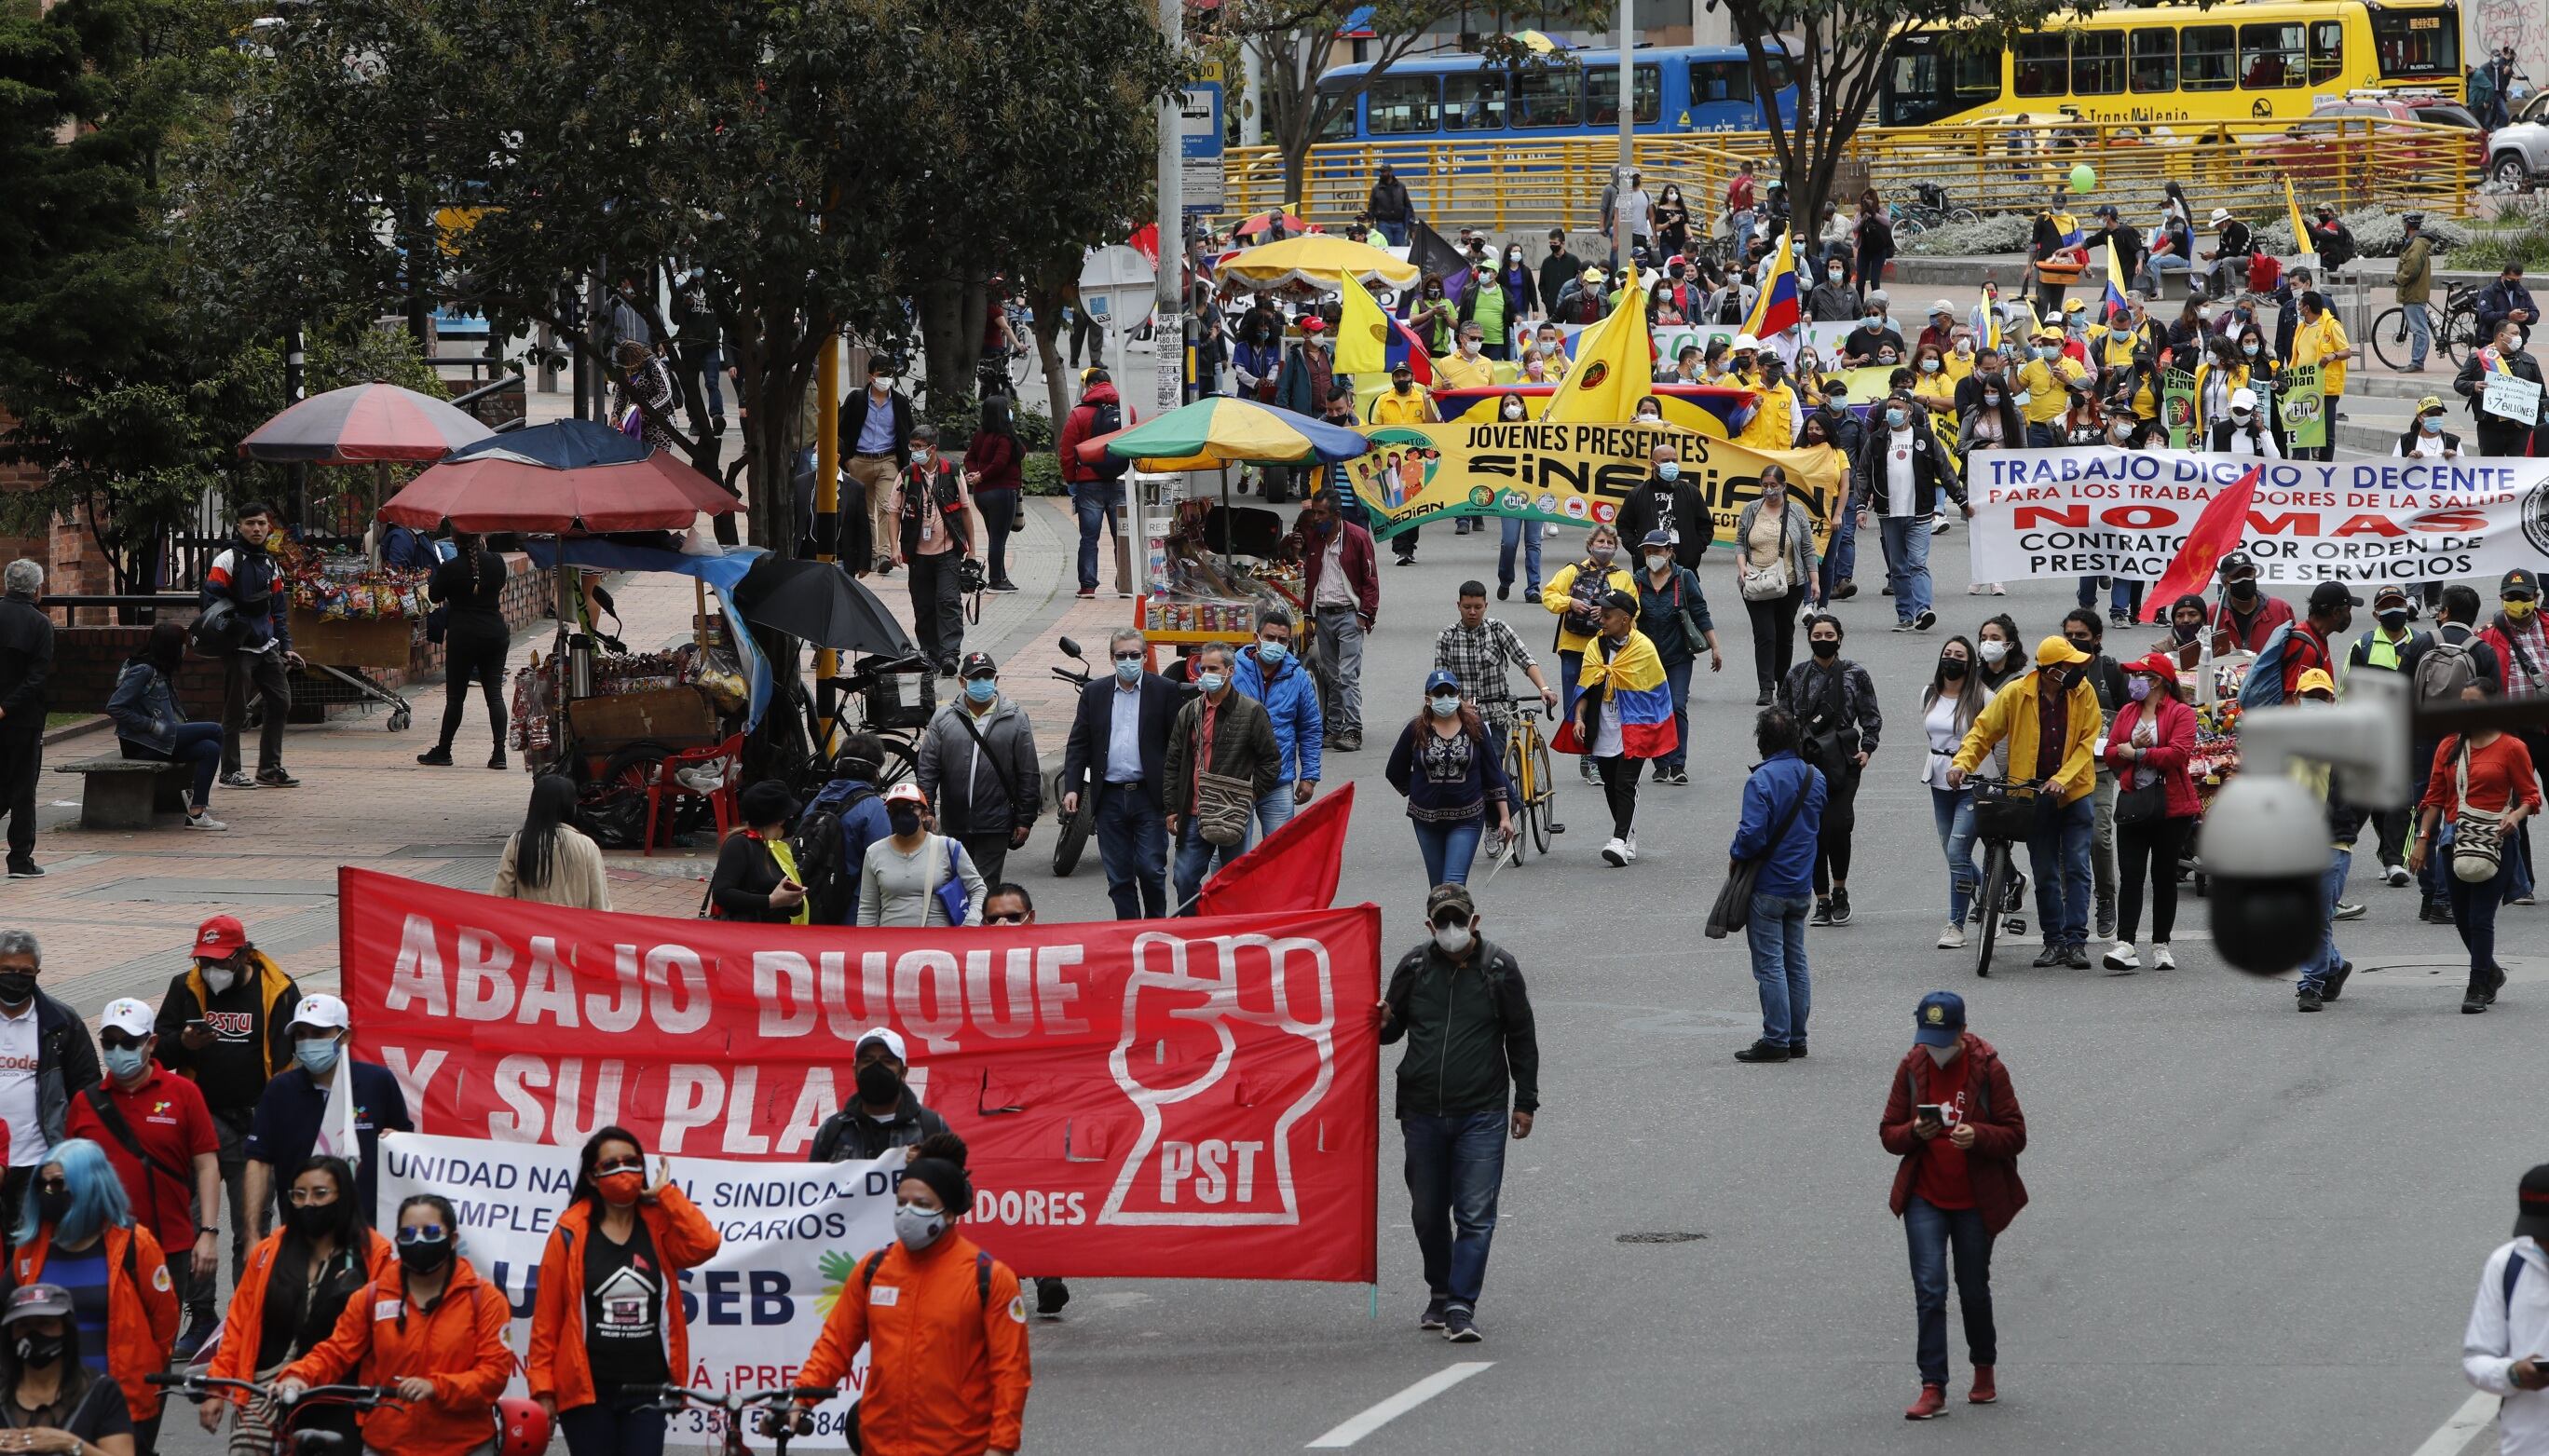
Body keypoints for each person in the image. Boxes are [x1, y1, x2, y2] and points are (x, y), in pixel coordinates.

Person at [788, 1132, 1031, 1451]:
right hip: (880, 1445)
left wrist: (1001, 1445)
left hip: (958, 1447)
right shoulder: (873, 1270)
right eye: (902, 1202)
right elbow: (835, 1345)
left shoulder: (989, 1278)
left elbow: (1010, 1372)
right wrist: (801, 1399)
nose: (907, 1212)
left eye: (922, 1204)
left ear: (948, 1213)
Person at [1376, 882, 1535, 1344]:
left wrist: (1525, 1101)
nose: (1451, 929)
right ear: (1430, 926)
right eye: (1442, 922)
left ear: (1475, 922)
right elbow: (1392, 1030)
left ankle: (1462, 1306)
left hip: (1481, 1113)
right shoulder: (1414, 966)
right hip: (1422, 1112)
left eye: (1458, 921)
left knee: (1475, 1213)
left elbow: (1521, 1036)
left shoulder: (1500, 970)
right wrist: (1382, 1021)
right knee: (1427, 1213)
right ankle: (1440, 1290)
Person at [274, 1193, 516, 1456]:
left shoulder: (486, 1300)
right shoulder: (371, 1298)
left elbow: (494, 1374)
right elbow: (335, 1352)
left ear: (453, 1239)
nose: (419, 1239)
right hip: (386, 1446)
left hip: (465, 1447)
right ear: (399, 1240)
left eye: (432, 1231)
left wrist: (436, 1387)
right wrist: (297, 1376)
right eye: (409, 1233)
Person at [525, 1129, 719, 1456]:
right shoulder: (568, 1234)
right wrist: (543, 1392)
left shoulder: (657, 1224)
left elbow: (705, 1244)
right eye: (611, 1164)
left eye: (631, 1162)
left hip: (648, 1391)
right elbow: (546, 1323)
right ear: (592, 1176)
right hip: (587, 1395)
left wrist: (667, 1195)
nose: (622, 1170)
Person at [149, 915, 294, 1351]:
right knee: (199, 1224)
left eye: (221, 962)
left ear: (244, 954)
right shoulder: (187, 986)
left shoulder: (277, 990)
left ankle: (250, 1316)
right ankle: (202, 1317)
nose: (211, 971)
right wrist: (184, 1046)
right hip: (205, 1120)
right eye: (203, 960)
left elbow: (290, 1058)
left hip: (257, 1120)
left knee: (254, 1224)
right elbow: (161, 1043)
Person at [1881, 991, 2028, 1421]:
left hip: (1974, 1198)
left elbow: (2015, 1134)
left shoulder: (1989, 1068)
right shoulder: (1912, 1066)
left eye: (1944, 1040)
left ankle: (1984, 1369)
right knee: (1929, 1289)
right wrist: (1914, 1131)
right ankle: (1933, 1386)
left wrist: (1978, 1137)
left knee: (1972, 1288)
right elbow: (1889, 1133)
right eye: (1929, 1040)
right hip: (1925, 1195)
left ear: (1963, 1033)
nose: (1935, 1049)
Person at [63, 999, 215, 1367]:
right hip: (101, 1246)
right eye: (110, 1042)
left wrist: (208, 1232)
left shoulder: (183, 1093)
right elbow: (70, 1174)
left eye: (128, 1042)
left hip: (169, 1246)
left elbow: (207, 1164)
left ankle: (145, 1424)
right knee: (102, 1350)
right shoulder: (86, 1103)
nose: (118, 1051)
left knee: (155, 1354)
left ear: (150, 1043)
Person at [201, 1155, 388, 1451]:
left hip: (338, 1394)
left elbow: (385, 1330)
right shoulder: (268, 1252)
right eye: (299, 1195)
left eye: (320, 1194)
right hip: (263, 1391)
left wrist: (361, 1292)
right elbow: (239, 1324)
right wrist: (218, 1387)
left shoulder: (374, 1255)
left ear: (344, 1198)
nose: (309, 1204)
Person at [7, 1140, 176, 1452]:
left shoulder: (136, 1246)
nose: (48, 1192)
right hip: (46, 1402)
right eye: (42, 1184)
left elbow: (164, 1326)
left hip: (122, 1404)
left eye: (58, 1183)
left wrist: (138, 1368)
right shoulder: (29, 1248)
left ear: (89, 1186)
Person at [1948, 636, 2103, 969]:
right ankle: (2054, 942)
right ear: (2051, 671)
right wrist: (1962, 763)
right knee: (2045, 870)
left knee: (2076, 867)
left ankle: (2076, 941)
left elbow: (2087, 743)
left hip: (2075, 792)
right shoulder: (2017, 693)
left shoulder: (2084, 691)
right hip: (2033, 795)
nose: (2077, 670)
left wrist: (2063, 779)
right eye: (2069, 666)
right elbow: (1982, 731)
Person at [2409, 682, 2539, 1014]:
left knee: (2481, 917)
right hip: (2455, 841)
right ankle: (2491, 971)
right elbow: (2434, 798)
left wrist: (2516, 815)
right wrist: (2423, 840)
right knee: (2463, 918)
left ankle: (2478, 985)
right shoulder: (2449, 746)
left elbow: (2530, 796)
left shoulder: (2511, 747)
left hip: (2496, 842)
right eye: (2462, 704)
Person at [241, 994, 411, 1240]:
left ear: (345, 1037)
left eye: (319, 1034)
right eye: (301, 1035)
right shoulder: (280, 1090)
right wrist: (252, 1234)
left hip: (367, 1235)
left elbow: (404, 1148)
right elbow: (258, 1161)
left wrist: (397, 1141)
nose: (308, 1042)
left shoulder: (378, 1083)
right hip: (300, 1236)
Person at [1729, 707, 1827, 1064]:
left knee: (1770, 964)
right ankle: (1797, 1038)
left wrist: (1735, 852)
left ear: (1762, 741)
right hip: (1800, 885)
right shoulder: (1814, 778)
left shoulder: (1761, 780)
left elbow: (1752, 836)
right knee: (1795, 962)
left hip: (1767, 885)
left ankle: (1776, 1039)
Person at [1060, 628, 1177, 919]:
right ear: (1112, 659)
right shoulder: (1094, 693)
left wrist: (1176, 797)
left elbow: (1177, 747)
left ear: (1145, 656)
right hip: (1109, 798)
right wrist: (1072, 787)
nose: (1128, 660)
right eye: (1122, 655)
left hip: (1149, 797)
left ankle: (1155, 927)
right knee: (1119, 877)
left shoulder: (1164, 691)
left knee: (1151, 869)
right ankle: (1128, 934)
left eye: (1134, 655)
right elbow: (1078, 744)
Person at [2100, 651, 2198, 973]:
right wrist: (2127, 749)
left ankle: (2161, 945)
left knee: (2164, 876)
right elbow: (2112, 752)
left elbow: (2178, 754)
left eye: (2139, 676)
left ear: (2157, 680)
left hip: (2173, 807)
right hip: (2134, 804)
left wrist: (2138, 751)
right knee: (2130, 875)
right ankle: (2126, 943)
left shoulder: (2181, 712)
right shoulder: (2128, 712)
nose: (2133, 682)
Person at [1164, 643, 1280, 909]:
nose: (1206, 674)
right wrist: (1171, 808)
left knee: (1234, 880)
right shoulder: (1189, 711)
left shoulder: (1252, 712)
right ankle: (1194, 933)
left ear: (1230, 671)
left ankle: (1227, 936)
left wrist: (1249, 795)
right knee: (1184, 879)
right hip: (1193, 813)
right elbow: (1172, 763)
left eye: (1213, 668)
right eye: (1203, 668)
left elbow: (1271, 761)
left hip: (1232, 813)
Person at [1781, 614, 1880, 927]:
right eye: (1817, 635)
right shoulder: (1796, 675)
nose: (1823, 640)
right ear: (1809, 638)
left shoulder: (1855, 674)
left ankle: (1840, 890)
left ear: (1840, 637)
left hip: (1843, 758)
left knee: (1838, 825)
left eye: (1829, 635)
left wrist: (1868, 747)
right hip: (1806, 761)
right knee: (1812, 831)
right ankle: (1821, 899)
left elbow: (1870, 714)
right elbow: (1780, 718)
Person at [1562, 592, 1675, 866]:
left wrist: (1652, 729)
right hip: (1602, 727)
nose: (1602, 619)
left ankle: (1619, 840)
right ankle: (1628, 834)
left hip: (1634, 727)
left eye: (1608, 615)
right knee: (1611, 785)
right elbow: (1585, 686)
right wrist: (1579, 718)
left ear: (1625, 619)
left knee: (1625, 783)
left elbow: (1656, 692)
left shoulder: (1644, 648)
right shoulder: (1594, 646)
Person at [0, 931, 97, 1233]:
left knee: (33, 1251)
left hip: (39, 1161)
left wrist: (74, 1156)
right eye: (7, 972)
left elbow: (87, 1090)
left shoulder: (61, 1023)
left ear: (37, 974)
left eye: (24, 973)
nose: (16, 979)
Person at [916, 652, 1040, 888]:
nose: (982, 683)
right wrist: (926, 809)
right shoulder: (943, 719)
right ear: (962, 682)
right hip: (954, 822)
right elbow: (928, 768)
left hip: (996, 824)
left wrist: (1025, 819)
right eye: (975, 678)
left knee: (984, 888)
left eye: (987, 677)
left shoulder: (1015, 718)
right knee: (953, 887)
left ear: (996, 679)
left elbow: (1028, 773)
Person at [203, 502, 303, 793]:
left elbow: (278, 610)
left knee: (281, 702)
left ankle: (269, 769)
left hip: (267, 646)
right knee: (234, 711)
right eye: (250, 524)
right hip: (239, 649)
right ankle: (230, 772)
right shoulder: (226, 561)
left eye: (261, 523)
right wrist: (233, 634)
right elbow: (212, 605)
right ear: (239, 527)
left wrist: (286, 646)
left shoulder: (270, 563)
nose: (256, 529)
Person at [1858, 393, 1967, 632]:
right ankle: (1905, 615)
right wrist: (1860, 507)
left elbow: (1945, 470)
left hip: (1920, 512)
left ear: (1909, 410)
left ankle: (1923, 610)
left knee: (1917, 563)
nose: (1892, 411)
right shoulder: (1876, 440)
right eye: (1890, 407)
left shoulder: (1925, 438)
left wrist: (1961, 500)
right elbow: (1863, 473)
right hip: (1889, 513)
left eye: (1898, 406)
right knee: (1898, 567)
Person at [2460, 1163, 2549, 1454]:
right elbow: (2476, 1359)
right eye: (2540, 1234)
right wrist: (2511, 1374)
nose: (2544, 1244)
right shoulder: (2507, 1265)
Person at [104, 621, 224, 831]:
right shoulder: (143, 670)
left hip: (161, 738)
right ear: (171, 646)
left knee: (210, 748)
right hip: (142, 743)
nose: (185, 649)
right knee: (215, 730)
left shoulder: (160, 669)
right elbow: (115, 707)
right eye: (181, 644)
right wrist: (151, 726)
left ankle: (196, 812)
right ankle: (193, 794)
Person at [411, 532, 511, 769]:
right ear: (481, 539)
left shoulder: (451, 568)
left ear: (455, 542)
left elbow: (434, 595)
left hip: (463, 636)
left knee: (455, 699)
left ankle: (444, 750)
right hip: (495, 634)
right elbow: (499, 582)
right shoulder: (496, 561)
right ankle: (499, 754)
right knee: (494, 695)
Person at [2059, 610, 2129, 942]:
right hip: (2059, 773)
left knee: (2099, 837)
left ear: (2097, 639)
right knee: (2064, 844)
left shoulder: (2111, 671)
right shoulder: (2053, 671)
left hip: (2098, 770)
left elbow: (2130, 714)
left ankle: (2105, 897)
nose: (2074, 641)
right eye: (2069, 635)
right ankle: (2067, 904)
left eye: (2081, 636)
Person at [0, 1282, 134, 1456]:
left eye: (45, 1324)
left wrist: (70, 1444)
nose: (33, 1334)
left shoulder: (101, 1391)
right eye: (23, 1325)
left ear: (66, 1329)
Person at [1633, 532, 1721, 788]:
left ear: (1670, 552)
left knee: (1676, 705)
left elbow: (1700, 612)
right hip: (1646, 660)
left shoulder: (1684, 577)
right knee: (1652, 710)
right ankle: (1661, 763)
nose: (1652, 556)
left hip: (1678, 656)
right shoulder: (1637, 580)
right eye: (1648, 551)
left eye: (1657, 551)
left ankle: (1678, 764)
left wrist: (1715, 647)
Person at [1230, 606, 1321, 845]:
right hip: (1235, 779)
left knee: (1280, 853)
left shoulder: (1298, 677)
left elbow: (1310, 729)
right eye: (1270, 638)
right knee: (1230, 855)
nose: (1276, 644)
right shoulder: (1232, 672)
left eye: (1282, 640)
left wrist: (1309, 776)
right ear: (1256, 639)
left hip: (1278, 782)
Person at [893, 424, 978, 676]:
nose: (915, 451)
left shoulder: (952, 472)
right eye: (913, 446)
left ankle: (950, 655)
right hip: (917, 555)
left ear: (933, 448)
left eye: (920, 447)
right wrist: (893, 547)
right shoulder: (907, 475)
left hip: (948, 552)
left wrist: (971, 550)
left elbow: (965, 511)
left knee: (949, 602)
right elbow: (893, 513)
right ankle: (930, 654)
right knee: (924, 605)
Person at [1296, 492, 1377, 751]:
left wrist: (1364, 616)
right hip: (1323, 616)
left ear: (1337, 515)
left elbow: (1370, 581)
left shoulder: (1357, 537)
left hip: (1349, 617)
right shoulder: (1315, 538)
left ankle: (1353, 730)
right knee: (1331, 676)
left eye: (1321, 513)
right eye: (1315, 513)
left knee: (1347, 675)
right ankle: (1333, 729)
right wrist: (1308, 618)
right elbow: (1310, 580)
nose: (1316, 518)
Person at [1922, 638, 1988, 949]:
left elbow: (1995, 737)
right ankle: (2003, 886)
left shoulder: (1983, 697)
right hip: (1938, 782)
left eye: (1958, 655)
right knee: (1953, 853)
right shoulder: (1929, 693)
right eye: (1947, 653)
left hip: (1972, 784)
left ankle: (1956, 924)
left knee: (1957, 853)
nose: (1951, 659)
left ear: (1970, 662)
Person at [1732, 469, 1817, 706]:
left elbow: (1809, 548)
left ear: (1783, 486)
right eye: (1765, 484)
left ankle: (1783, 684)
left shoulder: (1796, 512)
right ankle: (1766, 687)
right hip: (1756, 583)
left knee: (1784, 635)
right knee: (1765, 635)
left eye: (1773, 484)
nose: (1769, 489)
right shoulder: (1751, 510)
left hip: (1788, 584)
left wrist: (1815, 580)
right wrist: (1742, 566)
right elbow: (1739, 542)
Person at [858, 782, 987, 928]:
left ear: (925, 814)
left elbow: (978, 889)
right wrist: (865, 944)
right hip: (890, 945)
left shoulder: (948, 847)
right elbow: (868, 909)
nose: (901, 814)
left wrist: (970, 924)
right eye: (894, 809)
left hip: (939, 945)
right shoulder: (874, 852)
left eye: (909, 808)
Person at [839, 358, 915, 577]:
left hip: (887, 460)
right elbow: (841, 427)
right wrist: (846, 459)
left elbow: (908, 430)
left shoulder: (899, 402)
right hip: (859, 460)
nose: (885, 380)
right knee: (864, 511)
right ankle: (870, 553)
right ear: (870, 376)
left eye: (889, 375)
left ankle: (884, 554)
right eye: (881, 375)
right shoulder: (857, 399)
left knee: (886, 505)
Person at [0, 561, 51, 874]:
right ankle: (20, 858)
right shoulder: (40, 624)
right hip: (22, 718)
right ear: (37, 590)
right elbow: (37, 677)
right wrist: (6, 707)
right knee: (22, 787)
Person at [491, 774, 610, 909]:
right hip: (572, 928)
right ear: (571, 807)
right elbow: (599, 903)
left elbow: (500, 897)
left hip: (529, 928)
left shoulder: (518, 842)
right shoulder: (586, 846)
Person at [1056, 368, 1126, 599]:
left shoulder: (1079, 415)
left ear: (1090, 387)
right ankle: (1127, 583)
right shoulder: (1127, 410)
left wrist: (1071, 479)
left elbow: (1067, 452)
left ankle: (1088, 585)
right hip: (1120, 481)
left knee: (1089, 538)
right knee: (1123, 536)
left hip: (1089, 484)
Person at [709, 780, 809, 924]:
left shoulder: (774, 847)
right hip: (748, 938)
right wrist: (770, 901)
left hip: (775, 936)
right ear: (780, 820)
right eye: (790, 816)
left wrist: (793, 902)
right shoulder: (739, 844)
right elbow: (721, 893)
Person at [2458, 318, 2549, 458]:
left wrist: (2538, 415)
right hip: (2490, 427)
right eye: (2515, 333)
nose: (2519, 337)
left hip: (2520, 428)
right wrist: (2473, 386)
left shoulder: (2529, 361)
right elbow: (2459, 383)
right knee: (2491, 470)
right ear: (2501, 336)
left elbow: (2542, 394)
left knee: (2521, 470)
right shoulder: (2478, 359)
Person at [1615, 443, 1711, 571]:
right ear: (1653, 465)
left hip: (1685, 570)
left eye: (1674, 461)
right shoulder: (1637, 494)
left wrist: (1694, 550)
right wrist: (1638, 551)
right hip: (1647, 571)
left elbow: (1706, 526)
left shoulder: (1692, 492)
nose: (1671, 464)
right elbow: (1624, 526)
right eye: (1666, 461)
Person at [961, 398, 1024, 593]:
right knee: (998, 539)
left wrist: (975, 474)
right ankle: (996, 579)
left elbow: (969, 457)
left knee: (994, 536)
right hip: (1001, 492)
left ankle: (1001, 576)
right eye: (1008, 409)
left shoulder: (981, 434)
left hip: (982, 494)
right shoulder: (1004, 438)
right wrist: (981, 475)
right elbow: (1000, 463)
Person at [2285, 290, 2351, 462]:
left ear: (2306, 308)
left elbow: (2346, 351)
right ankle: (2301, 464)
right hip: (2303, 386)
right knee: (2302, 428)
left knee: (2326, 432)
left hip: (2325, 389)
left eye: (2300, 304)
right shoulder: (2301, 327)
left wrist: (2332, 356)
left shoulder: (2331, 326)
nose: (2297, 307)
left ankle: (2325, 466)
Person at [2212, 551, 2294, 653]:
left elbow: (2293, 652)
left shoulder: (2281, 610)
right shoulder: (2213, 614)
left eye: (2248, 574)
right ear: (2225, 583)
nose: (2244, 580)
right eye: (2237, 576)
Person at [2392, 212, 2435, 372]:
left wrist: (2398, 278)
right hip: (2415, 292)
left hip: (2414, 293)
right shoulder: (2416, 243)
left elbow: (2411, 270)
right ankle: (2416, 361)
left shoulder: (2416, 246)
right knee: (2419, 328)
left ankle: (2417, 363)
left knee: (2419, 329)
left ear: (2408, 225)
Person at [2475, 263, 2537, 344]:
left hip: (2515, 340)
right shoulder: (2489, 292)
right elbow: (2485, 316)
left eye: (2518, 280)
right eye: (2511, 280)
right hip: (2492, 340)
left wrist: (2527, 316)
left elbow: (2535, 313)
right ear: (2503, 275)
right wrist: (2508, 316)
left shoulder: (2522, 292)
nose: (2515, 283)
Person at [2199, 207, 2251, 300]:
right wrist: (2211, 256)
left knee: (2227, 261)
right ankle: (2216, 292)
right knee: (2214, 262)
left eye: (2217, 225)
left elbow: (2235, 252)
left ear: (2224, 222)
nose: (2216, 227)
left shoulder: (2239, 229)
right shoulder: (2223, 232)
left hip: (2249, 258)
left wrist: (2216, 255)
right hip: (2236, 258)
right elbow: (2222, 250)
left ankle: (2230, 293)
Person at [1367, 165, 1411, 246]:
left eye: (1384, 172)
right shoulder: (1376, 188)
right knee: (1386, 247)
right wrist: (1371, 222)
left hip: (1399, 223)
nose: (1381, 174)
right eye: (1381, 172)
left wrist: (1410, 220)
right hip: (1383, 222)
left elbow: (1407, 204)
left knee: (1401, 248)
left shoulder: (1401, 187)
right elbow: (1371, 207)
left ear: (1390, 172)